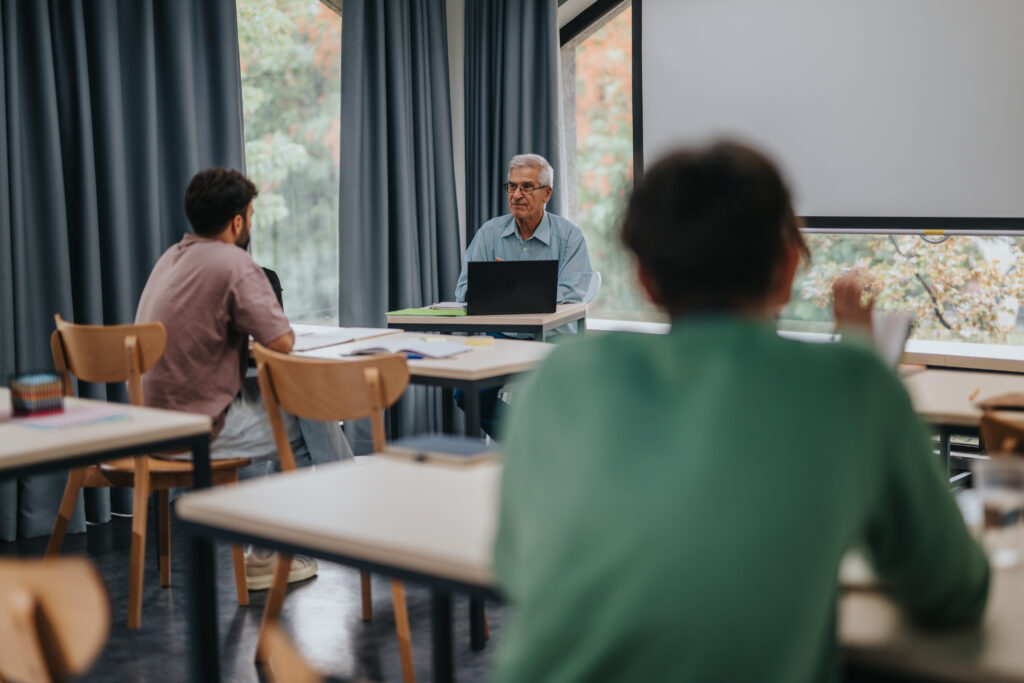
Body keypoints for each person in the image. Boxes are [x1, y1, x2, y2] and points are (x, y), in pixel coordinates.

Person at [492, 142, 989, 682]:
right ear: (789, 267)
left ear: (645, 280)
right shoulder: (855, 384)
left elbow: (518, 569)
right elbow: (952, 590)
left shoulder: (559, 380)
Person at [135, 167, 351, 590]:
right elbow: (283, 342)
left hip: (155, 421)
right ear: (237, 222)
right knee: (311, 411)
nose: (250, 225)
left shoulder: (172, 257)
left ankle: (274, 545)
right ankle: (323, 529)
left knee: (300, 409)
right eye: (250, 216)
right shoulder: (234, 261)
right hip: (198, 429)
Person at [454, 153, 594, 435]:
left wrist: (511, 289)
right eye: (511, 186)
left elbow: (573, 294)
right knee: (464, 392)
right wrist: (510, 290)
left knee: (565, 399)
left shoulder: (570, 237)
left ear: (547, 193)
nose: (516, 194)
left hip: (553, 342)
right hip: (501, 339)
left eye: (526, 187)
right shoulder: (489, 234)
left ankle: (538, 448)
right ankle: (530, 442)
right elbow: (463, 292)